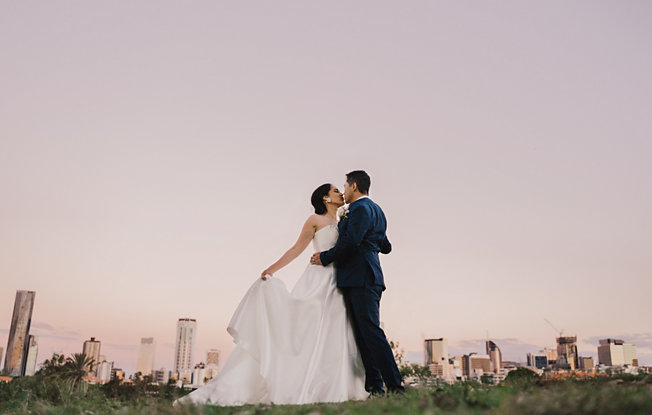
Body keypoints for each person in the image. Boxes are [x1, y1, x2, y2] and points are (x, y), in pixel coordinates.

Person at [175, 183, 368, 406]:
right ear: (325, 198)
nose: (340, 193)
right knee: (309, 330)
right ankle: (301, 384)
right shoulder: (314, 220)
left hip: (340, 281)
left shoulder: (345, 221)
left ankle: (335, 386)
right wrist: (272, 269)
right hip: (318, 281)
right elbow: (296, 249)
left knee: (337, 331)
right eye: (335, 191)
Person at [311, 170, 404, 395]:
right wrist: (370, 241)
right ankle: (375, 387)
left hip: (361, 276)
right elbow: (386, 246)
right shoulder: (377, 210)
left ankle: (395, 387)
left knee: (371, 332)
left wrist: (324, 257)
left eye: (344, 186)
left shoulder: (360, 209)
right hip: (366, 276)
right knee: (363, 334)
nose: (343, 190)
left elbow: (352, 242)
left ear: (353, 186)